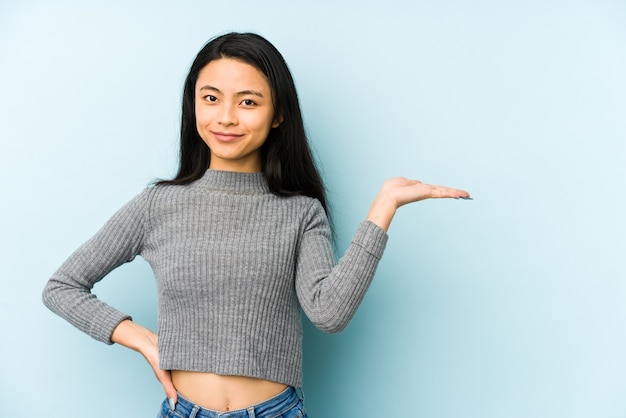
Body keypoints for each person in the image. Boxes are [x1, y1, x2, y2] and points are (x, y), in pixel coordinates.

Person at [42, 32, 471, 418]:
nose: (226, 117)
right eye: (211, 98)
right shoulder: (159, 204)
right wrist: (144, 341)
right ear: (193, 104)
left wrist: (383, 209)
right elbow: (62, 287)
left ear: (278, 114)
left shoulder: (300, 211)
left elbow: (329, 314)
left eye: (247, 101)